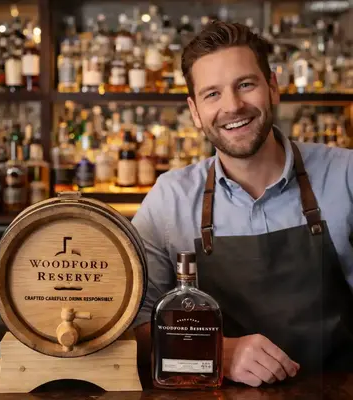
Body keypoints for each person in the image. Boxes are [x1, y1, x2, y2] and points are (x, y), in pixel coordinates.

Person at [131, 20, 353, 387]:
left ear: (273, 88)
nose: (233, 106)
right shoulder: (169, 199)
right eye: (212, 94)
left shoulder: (345, 176)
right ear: (195, 111)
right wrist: (215, 352)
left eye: (245, 85)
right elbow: (132, 327)